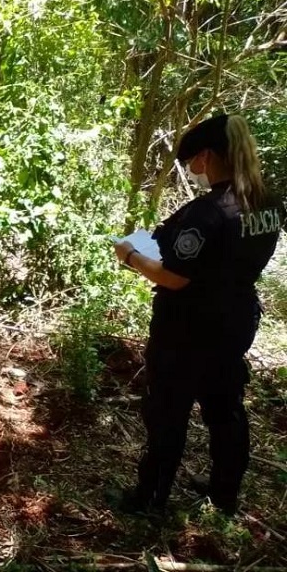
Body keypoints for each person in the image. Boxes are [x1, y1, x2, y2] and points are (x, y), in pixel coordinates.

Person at [112, 114, 282, 516]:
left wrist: (130, 255)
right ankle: (224, 495)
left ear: (205, 156)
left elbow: (174, 277)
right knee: (225, 407)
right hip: (236, 320)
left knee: (166, 411)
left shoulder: (208, 212)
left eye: (191, 161)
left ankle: (150, 499)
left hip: (187, 327)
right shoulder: (268, 202)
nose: (192, 169)